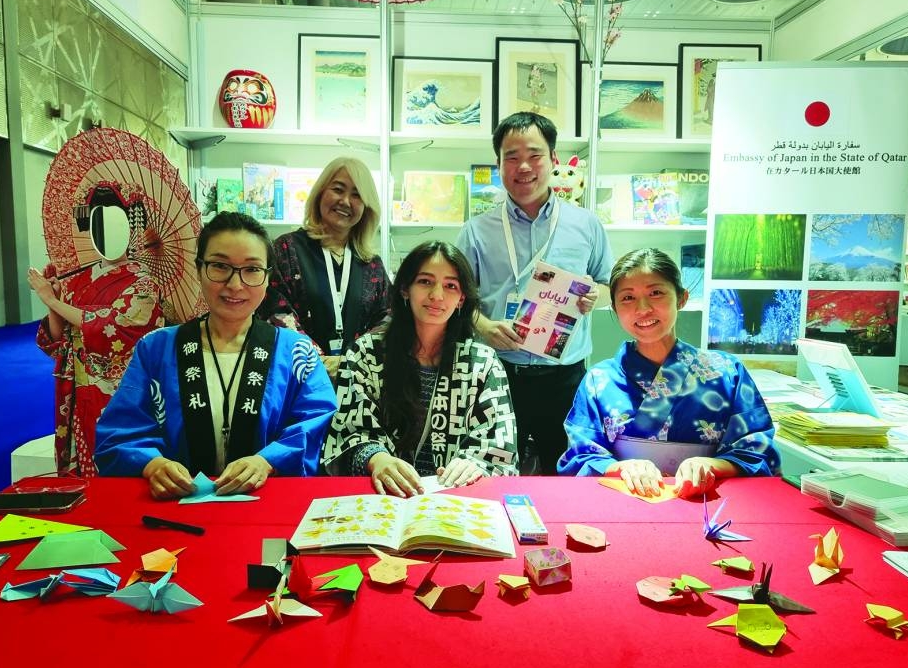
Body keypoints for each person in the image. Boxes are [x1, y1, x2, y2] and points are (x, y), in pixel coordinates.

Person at [95, 212, 337, 499]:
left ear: (268, 278)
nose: (235, 285)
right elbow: (120, 430)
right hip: (174, 504)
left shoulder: (297, 352)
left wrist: (267, 461)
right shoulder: (156, 349)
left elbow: (317, 422)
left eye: (252, 269)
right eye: (220, 266)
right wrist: (153, 464)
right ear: (199, 269)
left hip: (269, 503)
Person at [456, 111, 613, 475]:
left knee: (567, 474)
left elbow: (609, 285)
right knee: (493, 471)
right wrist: (484, 326)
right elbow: (458, 299)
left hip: (564, 376)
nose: (523, 166)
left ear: (554, 159)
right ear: (499, 164)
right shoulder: (476, 230)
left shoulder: (586, 225)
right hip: (496, 373)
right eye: (511, 157)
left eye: (534, 155)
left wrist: (595, 295)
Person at [558, 248, 779, 498]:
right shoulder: (599, 380)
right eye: (628, 298)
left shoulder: (727, 372)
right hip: (624, 503)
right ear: (615, 308)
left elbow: (759, 451)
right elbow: (579, 457)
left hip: (704, 503)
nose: (643, 309)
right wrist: (622, 468)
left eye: (656, 293)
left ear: (682, 298)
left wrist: (712, 465)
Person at [322, 241, 518, 495]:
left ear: (461, 299)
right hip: (385, 495)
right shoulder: (366, 353)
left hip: (454, 497)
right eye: (425, 281)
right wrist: (377, 458)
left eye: (450, 286)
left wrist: (475, 463)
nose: (437, 295)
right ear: (405, 289)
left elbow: (499, 441)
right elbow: (348, 430)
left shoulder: (483, 362)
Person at [29, 255, 164, 477]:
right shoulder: (78, 279)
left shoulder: (144, 282)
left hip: (118, 384)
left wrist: (53, 302)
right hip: (79, 383)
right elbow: (60, 336)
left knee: (119, 445)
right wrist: (54, 300)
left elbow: (114, 327)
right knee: (84, 448)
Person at [258, 156, 390, 381]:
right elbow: (275, 312)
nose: (346, 201)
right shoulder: (287, 248)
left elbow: (388, 318)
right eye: (338, 189)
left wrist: (351, 361)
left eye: (357, 195)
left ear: (366, 207)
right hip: (297, 378)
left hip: (356, 383)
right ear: (320, 192)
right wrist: (316, 360)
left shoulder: (371, 263)